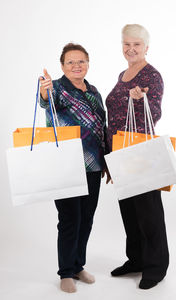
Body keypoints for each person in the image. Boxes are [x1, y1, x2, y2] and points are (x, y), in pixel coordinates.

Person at [40, 43, 110, 293]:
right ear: (62, 66)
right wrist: (45, 92)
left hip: (92, 166)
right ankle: (66, 272)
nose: (76, 65)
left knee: (86, 219)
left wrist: (106, 161)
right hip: (65, 165)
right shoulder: (56, 88)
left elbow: (102, 128)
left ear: (88, 64)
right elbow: (46, 104)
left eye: (81, 61)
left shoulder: (93, 91)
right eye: (70, 62)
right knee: (70, 219)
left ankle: (78, 265)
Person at [105, 24, 169, 290]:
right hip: (118, 151)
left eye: (137, 45)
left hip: (140, 153)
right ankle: (137, 259)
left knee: (149, 212)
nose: (130, 49)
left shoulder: (151, 76)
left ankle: (156, 267)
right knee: (129, 212)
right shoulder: (123, 74)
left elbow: (154, 113)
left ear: (146, 48)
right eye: (126, 44)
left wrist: (140, 98)